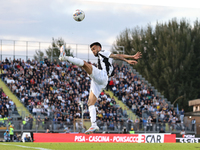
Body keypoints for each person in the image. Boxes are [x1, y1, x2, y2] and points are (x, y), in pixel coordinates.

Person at [59, 42, 142, 134]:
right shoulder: (103, 58)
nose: (93, 51)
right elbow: (116, 55)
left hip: (102, 76)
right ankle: (94, 125)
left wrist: (128, 60)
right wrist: (130, 57)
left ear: (99, 47)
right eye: (91, 50)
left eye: (94, 49)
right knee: (90, 103)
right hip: (100, 81)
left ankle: (64, 57)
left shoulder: (102, 52)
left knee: (84, 64)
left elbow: (117, 55)